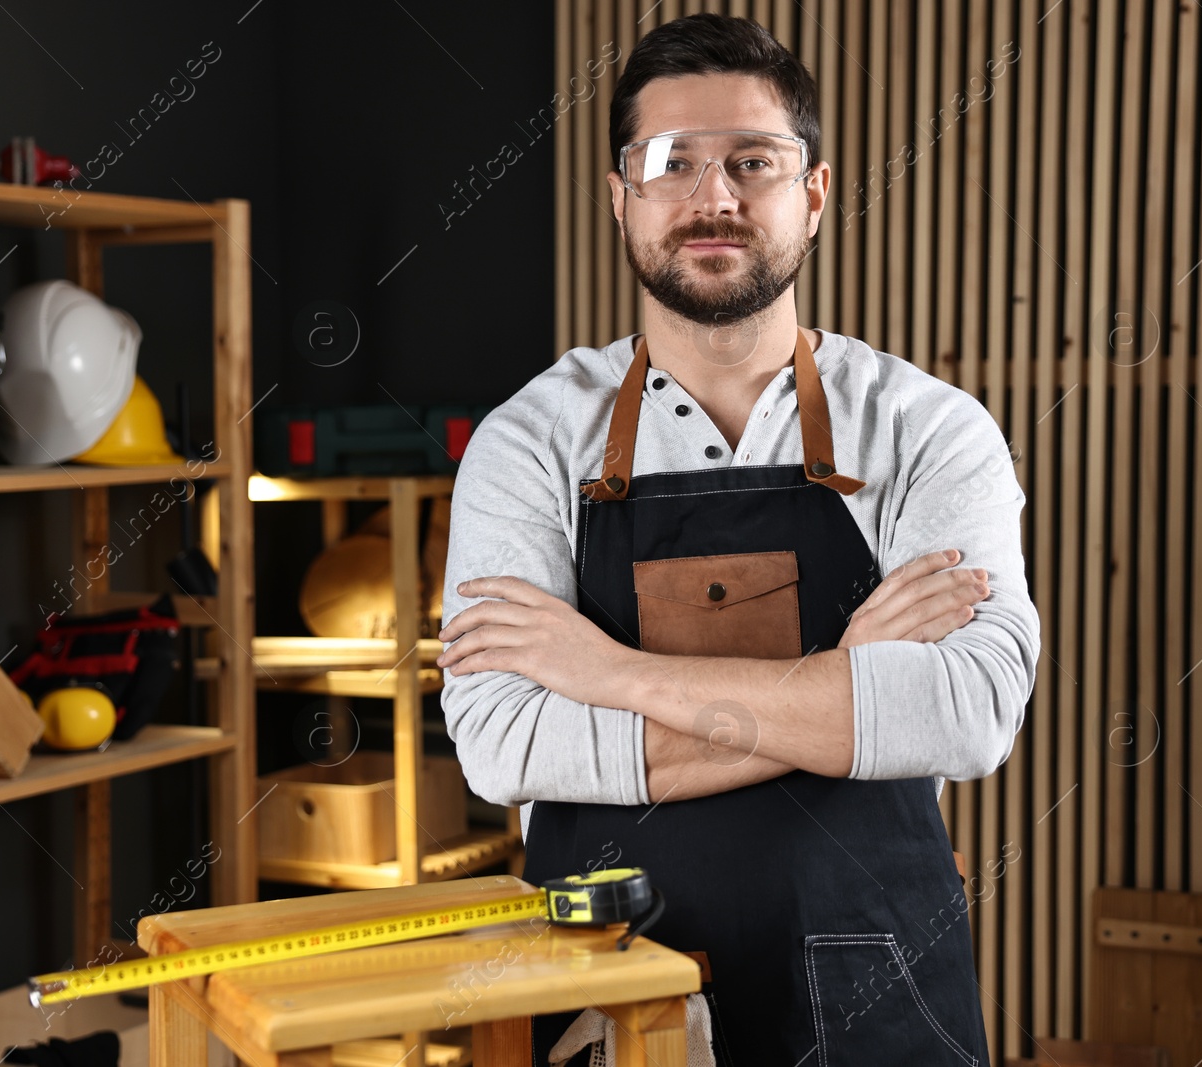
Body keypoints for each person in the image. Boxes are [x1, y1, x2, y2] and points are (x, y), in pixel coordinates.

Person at [437, 12, 1039, 1065]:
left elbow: (966, 709)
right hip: (608, 978)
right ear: (620, 195)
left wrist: (607, 669)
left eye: (752, 161)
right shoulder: (530, 440)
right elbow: (502, 742)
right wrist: (844, 683)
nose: (713, 197)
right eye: (671, 163)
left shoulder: (926, 428)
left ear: (811, 191)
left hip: (876, 978)